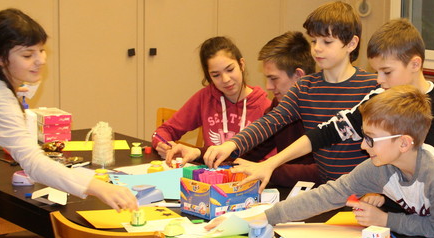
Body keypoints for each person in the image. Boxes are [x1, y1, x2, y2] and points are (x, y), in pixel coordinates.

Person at [230, 19, 434, 201]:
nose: (380, 81)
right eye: (377, 73)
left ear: (414, 64)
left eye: (387, 72)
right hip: (401, 212)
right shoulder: (377, 101)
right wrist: (270, 163)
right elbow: (323, 134)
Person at [207, 86, 434, 238]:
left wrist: (383, 219)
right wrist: (263, 218)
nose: (363, 145)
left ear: (404, 143)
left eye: (371, 139)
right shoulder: (378, 165)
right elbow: (327, 194)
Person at [199, 1, 380, 184]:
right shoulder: (305, 87)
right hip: (326, 190)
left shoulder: (371, 86)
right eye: (313, 40)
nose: (317, 48)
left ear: (351, 44)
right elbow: (271, 121)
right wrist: (232, 144)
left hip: (364, 188)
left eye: (327, 41)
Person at [0, 9, 136, 211]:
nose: (41, 60)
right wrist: (97, 187)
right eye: (28, 55)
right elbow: (33, 163)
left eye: (41, 50)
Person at [154, 36, 275, 165]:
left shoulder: (265, 107)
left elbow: (267, 162)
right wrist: (166, 146)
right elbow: (162, 132)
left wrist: (197, 152)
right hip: (210, 177)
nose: (225, 79)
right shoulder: (206, 98)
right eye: (216, 75)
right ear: (209, 77)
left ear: (242, 65)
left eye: (230, 70)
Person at [256, 31, 320, 187]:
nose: (268, 87)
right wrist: (202, 154)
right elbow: (252, 150)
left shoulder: (324, 107)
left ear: (299, 75)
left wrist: (269, 168)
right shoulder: (278, 105)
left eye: (274, 78)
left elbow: (324, 173)